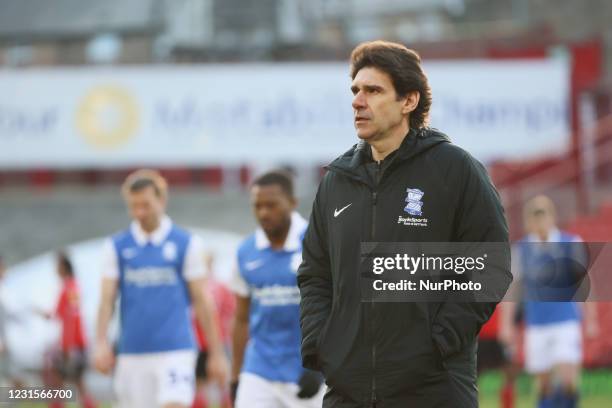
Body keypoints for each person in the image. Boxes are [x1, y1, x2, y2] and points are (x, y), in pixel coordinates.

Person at [297, 40, 512, 407]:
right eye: (355, 90)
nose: (357, 101)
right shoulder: (336, 181)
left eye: (373, 90)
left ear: (408, 101)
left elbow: (490, 265)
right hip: (349, 389)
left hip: (434, 388)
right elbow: (316, 275)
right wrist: (321, 344)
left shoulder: (455, 170)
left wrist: (439, 342)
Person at [94, 169, 229, 408]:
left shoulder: (186, 243)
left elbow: (202, 300)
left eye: (146, 205)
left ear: (162, 200)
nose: (140, 212)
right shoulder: (116, 246)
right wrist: (101, 342)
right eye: (133, 206)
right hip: (132, 352)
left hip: (176, 350)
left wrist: (217, 354)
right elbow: (106, 299)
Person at [230, 170, 325, 408]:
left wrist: (321, 366)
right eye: (257, 206)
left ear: (292, 203)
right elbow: (241, 319)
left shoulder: (317, 243)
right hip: (259, 369)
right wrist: (235, 376)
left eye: (271, 205)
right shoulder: (245, 251)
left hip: (308, 371)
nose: (263, 213)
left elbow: (336, 308)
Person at [500, 195, 598, 408]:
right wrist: (506, 324)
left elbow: (583, 283)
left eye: (543, 215)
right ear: (529, 221)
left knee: (568, 379)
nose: (540, 221)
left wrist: (591, 318)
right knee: (544, 385)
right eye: (535, 216)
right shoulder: (522, 250)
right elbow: (514, 289)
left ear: (552, 216)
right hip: (537, 324)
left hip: (565, 321)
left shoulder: (570, 243)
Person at [38, 252, 97, 408]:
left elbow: (72, 318)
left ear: (63, 267)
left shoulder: (69, 287)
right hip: (74, 342)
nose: (55, 270)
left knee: (58, 378)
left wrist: (67, 346)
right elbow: (60, 314)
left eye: (57, 266)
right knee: (76, 381)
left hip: (73, 344)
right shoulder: (71, 286)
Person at [191, 254, 235, 408]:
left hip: (218, 342)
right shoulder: (194, 287)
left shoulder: (221, 287)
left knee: (222, 383)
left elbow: (231, 314)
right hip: (199, 343)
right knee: (200, 383)